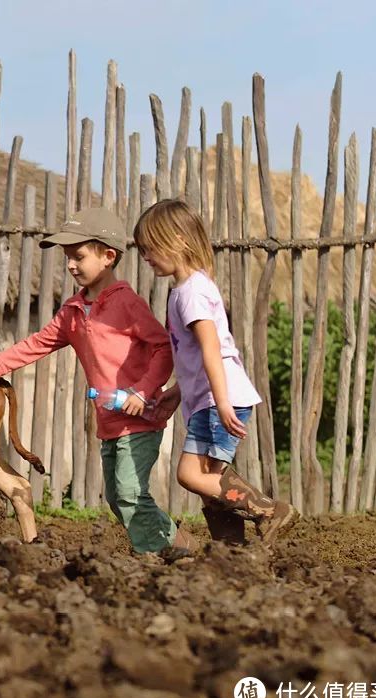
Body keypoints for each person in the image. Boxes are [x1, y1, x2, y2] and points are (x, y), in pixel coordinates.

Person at [0, 207, 194, 557]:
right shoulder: (74, 310)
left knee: (128, 494)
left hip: (141, 420)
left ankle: (158, 557)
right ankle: (179, 545)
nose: (70, 265)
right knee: (117, 498)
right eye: (67, 257)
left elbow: (162, 349)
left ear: (108, 256)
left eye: (78, 256)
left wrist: (142, 390)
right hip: (109, 421)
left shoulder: (127, 303)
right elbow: (37, 344)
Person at [133, 198, 298, 545]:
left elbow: (212, 348)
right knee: (212, 484)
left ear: (177, 239)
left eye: (150, 248)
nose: (145, 257)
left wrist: (222, 403)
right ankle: (233, 551)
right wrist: (178, 392)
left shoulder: (191, 291)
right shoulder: (186, 288)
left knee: (190, 475)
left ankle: (270, 510)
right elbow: (194, 355)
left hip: (219, 398)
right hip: (211, 397)